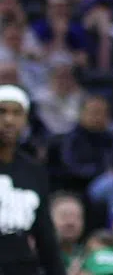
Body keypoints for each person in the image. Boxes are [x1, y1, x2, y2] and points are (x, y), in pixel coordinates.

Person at [0, 85, 66, 275]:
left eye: (16, 113)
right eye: (2, 112)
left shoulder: (34, 171)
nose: (9, 120)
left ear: (25, 119)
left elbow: (45, 238)